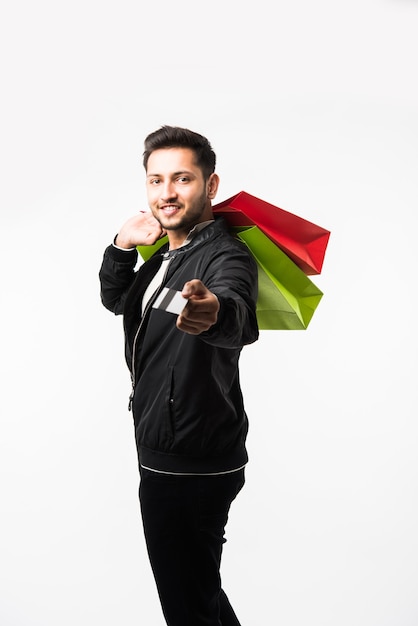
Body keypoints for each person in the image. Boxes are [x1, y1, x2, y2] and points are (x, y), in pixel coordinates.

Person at [99, 125, 259, 626]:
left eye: (182, 179)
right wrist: (122, 245)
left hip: (191, 461)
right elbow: (117, 300)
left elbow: (236, 314)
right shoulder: (166, 255)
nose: (166, 193)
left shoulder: (224, 255)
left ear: (210, 186)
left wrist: (213, 313)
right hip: (167, 448)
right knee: (197, 592)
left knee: (187, 606)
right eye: (155, 180)